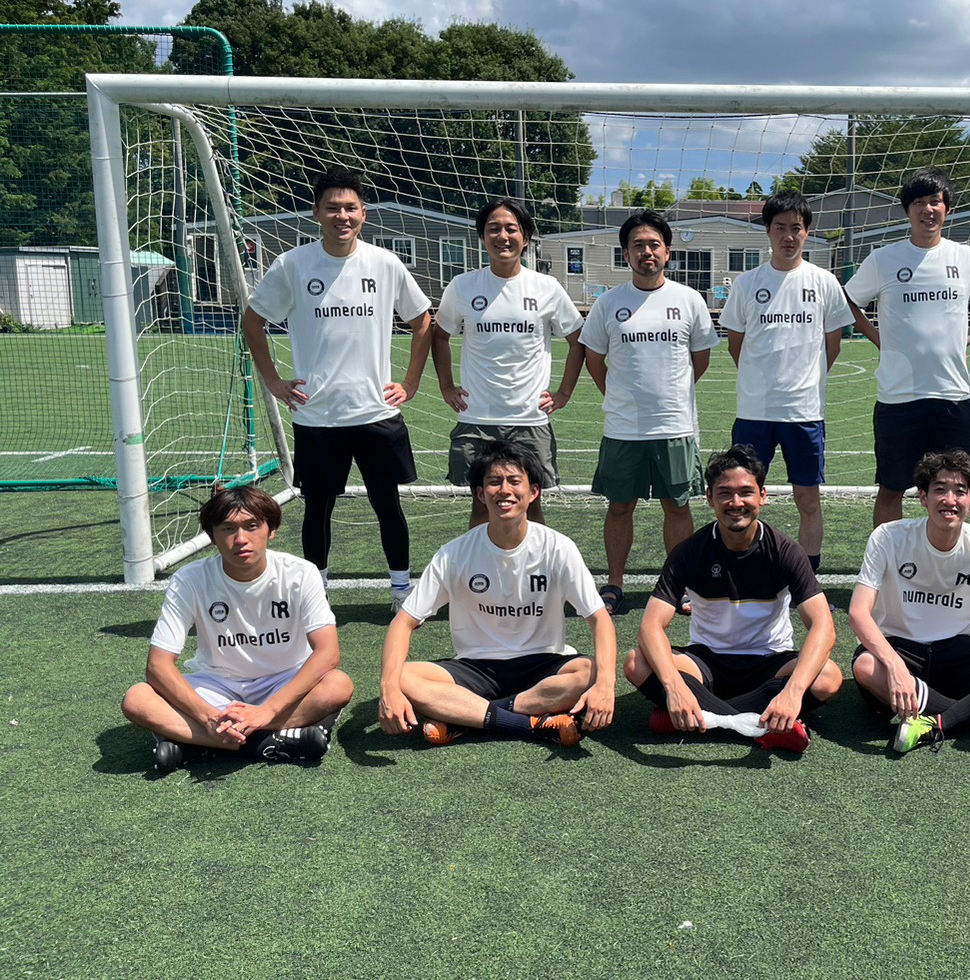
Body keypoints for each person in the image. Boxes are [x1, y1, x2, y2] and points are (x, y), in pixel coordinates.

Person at [243, 166, 433, 608]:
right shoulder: (292, 264)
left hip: (375, 412)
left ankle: (401, 590)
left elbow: (422, 321)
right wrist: (272, 380)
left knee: (388, 505)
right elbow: (253, 321)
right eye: (332, 208)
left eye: (350, 208)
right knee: (318, 509)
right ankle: (318, 593)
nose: (342, 216)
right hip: (318, 414)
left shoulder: (384, 263)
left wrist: (410, 382)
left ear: (363, 213)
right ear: (316, 213)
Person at [377, 441, 616, 748]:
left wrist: (606, 685)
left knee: (593, 672)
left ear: (533, 492)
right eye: (494, 482)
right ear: (480, 494)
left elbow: (599, 619)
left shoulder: (558, 548)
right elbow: (403, 622)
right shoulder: (454, 553)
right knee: (401, 677)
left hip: (543, 664)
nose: (505, 490)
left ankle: (463, 716)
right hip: (476, 667)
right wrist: (388, 688)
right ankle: (528, 724)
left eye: (515, 481)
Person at [624, 445, 843, 752]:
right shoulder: (690, 551)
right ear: (710, 498)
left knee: (828, 677)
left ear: (762, 496)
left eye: (746, 492)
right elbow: (650, 627)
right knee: (637, 662)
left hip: (770, 662)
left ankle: (702, 718)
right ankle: (758, 725)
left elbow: (824, 627)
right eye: (725, 493)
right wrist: (674, 687)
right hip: (706, 663)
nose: (736, 503)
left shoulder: (786, 551)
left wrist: (793, 691)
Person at [121, 486, 354, 773]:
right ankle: (269, 742)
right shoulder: (189, 580)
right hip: (216, 686)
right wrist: (208, 717)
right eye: (228, 529)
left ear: (271, 530)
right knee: (137, 699)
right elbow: (158, 666)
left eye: (252, 526)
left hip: (284, 682)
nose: (241, 539)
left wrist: (267, 710)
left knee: (337, 686)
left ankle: (198, 744)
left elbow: (328, 653)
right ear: (212, 536)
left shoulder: (301, 573)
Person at [848, 450, 970, 753]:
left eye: (960, 491)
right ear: (923, 497)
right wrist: (896, 667)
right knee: (866, 666)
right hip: (900, 648)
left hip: (956, 653)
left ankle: (935, 723)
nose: (949, 499)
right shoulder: (888, 537)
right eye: (940, 489)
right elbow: (858, 613)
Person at [844, 168, 970, 527]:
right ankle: (887, 558)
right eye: (919, 202)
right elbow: (849, 302)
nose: (928, 209)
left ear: (947, 208)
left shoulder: (964, 257)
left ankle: (946, 557)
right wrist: (879, 338)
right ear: (908, 210)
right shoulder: (883, 259)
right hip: (898, 398)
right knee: (891, 489)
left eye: (935, 201)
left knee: (953, 488)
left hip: (952, 395)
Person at [579, 209, 720, 614]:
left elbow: (700, 358)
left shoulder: (689, 300)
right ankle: (615, 583)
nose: (647, 252)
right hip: (623, 428)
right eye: (638, 245)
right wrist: (618, 394)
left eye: (654, 245)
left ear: (667, 252)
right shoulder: (609, 303)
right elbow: (594, 358)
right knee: (620, 506)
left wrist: (671, 393)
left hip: (674, 425)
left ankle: (679, 584)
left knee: (677, 506)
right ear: (625, 254)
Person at [425, 197, 584, 528]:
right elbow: (439, 336)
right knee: (482, 507)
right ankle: (479, 564)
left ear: (525, 237)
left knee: (532, 507)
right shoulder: (463, 286)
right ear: (483, 237)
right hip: (476, 418)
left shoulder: (546, 288)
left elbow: (577, 340)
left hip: (529, 419)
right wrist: (446, 386)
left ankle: (534, 563)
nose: (503, 236)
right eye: (493, 229)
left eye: (511, 229)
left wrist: (564, 393)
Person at [720, 191, 852, 574]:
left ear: (807, 232)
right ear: (768, 231)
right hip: (754, 412)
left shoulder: (824, 282)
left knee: (807, 499)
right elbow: (736, 344)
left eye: (796, 228)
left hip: (804, 413)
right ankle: (743, 569)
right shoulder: (747, 284)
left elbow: (832, 345)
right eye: (780, 227)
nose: (788, 236)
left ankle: (807, 576)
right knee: (741, 496)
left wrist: (804, 381)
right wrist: (761, 380)